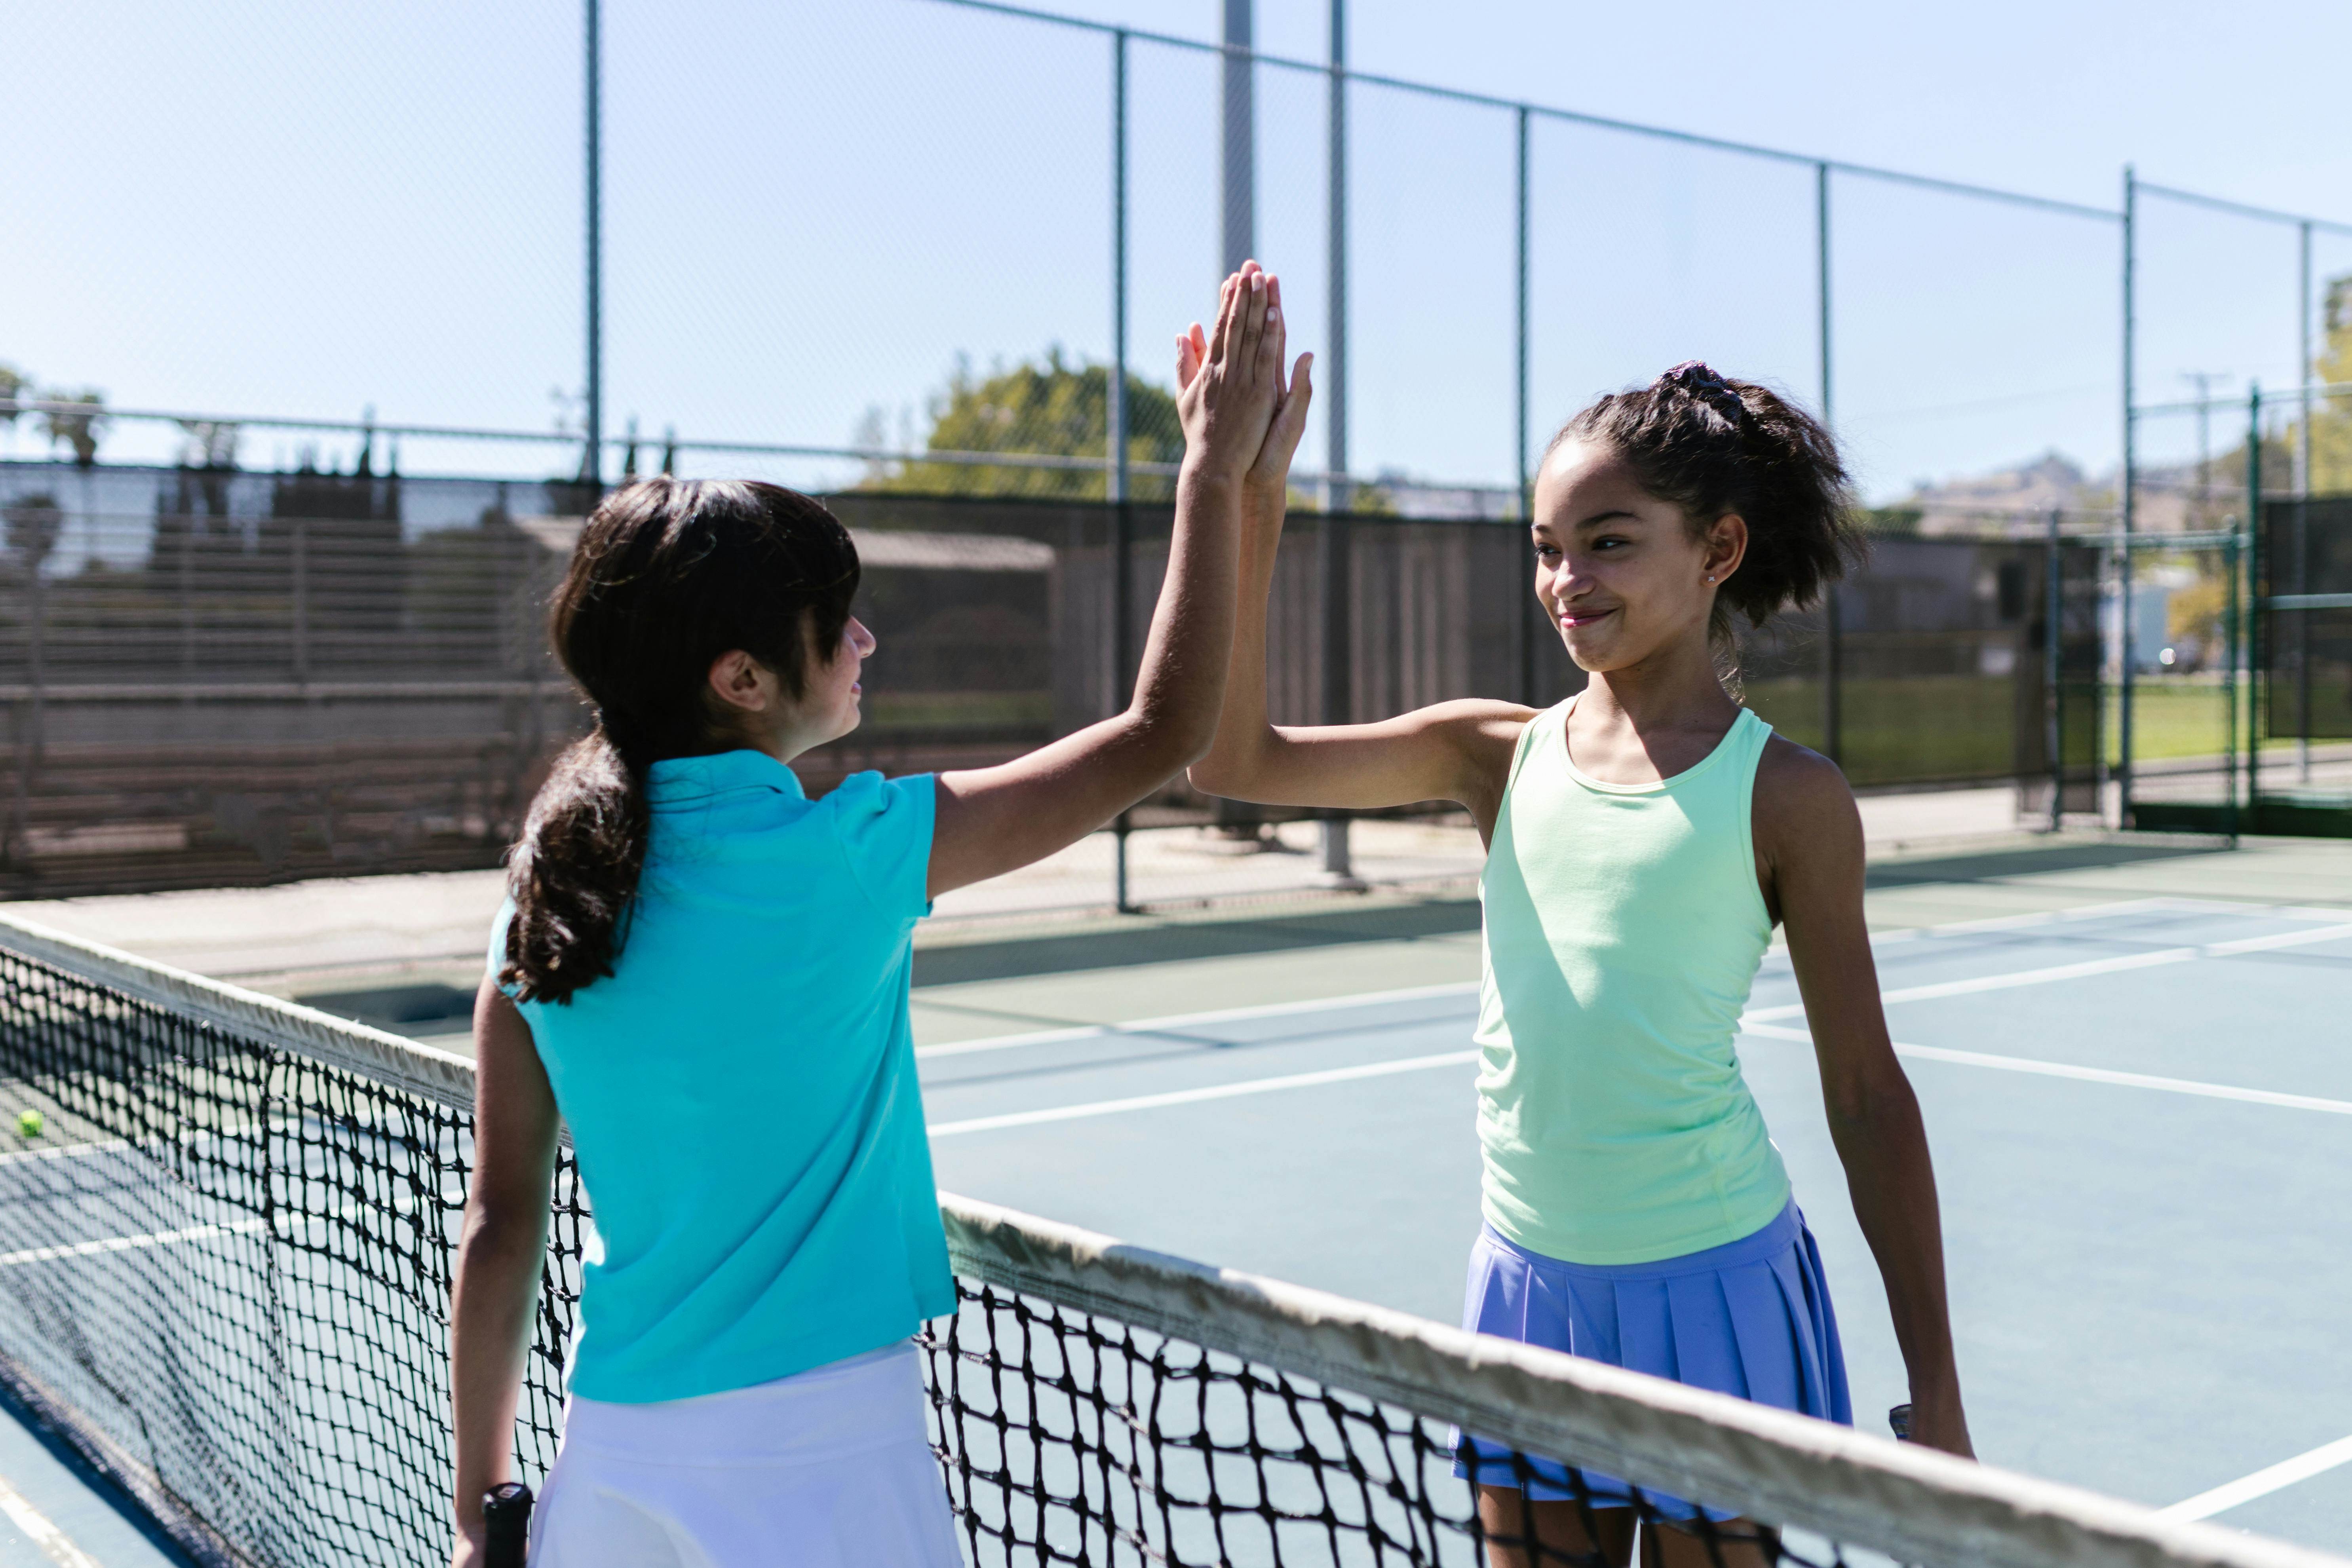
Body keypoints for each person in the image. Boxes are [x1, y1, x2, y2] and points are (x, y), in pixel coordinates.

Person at [446, 263, 1312, 1567]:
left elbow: (502, 1224)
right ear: (743, 677)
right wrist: (1211, 474)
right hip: (823, 1460)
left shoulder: (546, 888)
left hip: (608, 1458)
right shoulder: (851, 853)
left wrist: (480, 1512)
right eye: (833, 623)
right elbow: (1166, 732)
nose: (864, 642)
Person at [1186, 351, 1974, 1567]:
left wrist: (1939, 1383)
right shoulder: (1487, 753)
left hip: (1713, 1291)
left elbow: (1868, 1095)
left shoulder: (1791, 797)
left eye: (1607, 542)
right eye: (1548, 546)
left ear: (1718, 549)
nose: (1566, 579)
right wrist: (1248, 495)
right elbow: (1231, 756)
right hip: (1529, 1291)